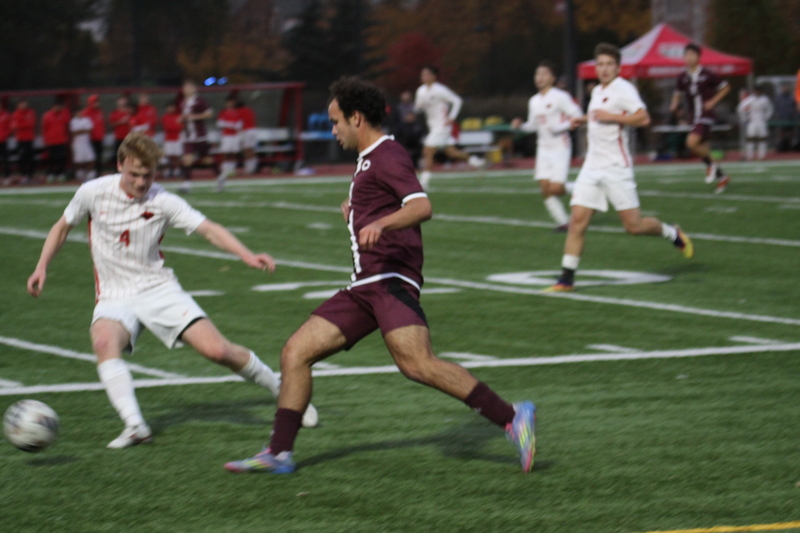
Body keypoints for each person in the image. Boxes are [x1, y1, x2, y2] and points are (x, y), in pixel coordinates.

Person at [224, 77, 535, 475]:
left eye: (336, 121)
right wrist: (354, 213)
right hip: (363, 287)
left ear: (356, 118)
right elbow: (379, 203)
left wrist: (381, 224)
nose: (332, 130)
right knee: (295, 353)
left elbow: (422, 206)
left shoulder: (387, 153)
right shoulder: (368, 160)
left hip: (389, 282)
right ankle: (279, 452)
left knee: (418, 364)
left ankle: (513, 416)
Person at [26, 132, 317, 449]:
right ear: (120, 165)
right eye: (134, 174)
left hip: (158, 289)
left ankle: (284, 392)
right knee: (103, 341)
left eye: (147, 175)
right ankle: (136, 425)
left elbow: (208, 229)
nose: (140, 182)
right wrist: (42, 266)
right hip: (113, 296)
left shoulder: (163, 201)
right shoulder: (92, 192)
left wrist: (245, 254)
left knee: (218, 351)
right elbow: (62, 226)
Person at [546, 44, 694, 293]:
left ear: (618, 67)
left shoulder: (624, 89)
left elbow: (643, 117)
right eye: (600, 64)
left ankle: (672, 232)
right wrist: (582, 119)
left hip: (616, 167)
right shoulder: (597, 91)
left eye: (608, 64)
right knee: (577, 222)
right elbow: (599, 115)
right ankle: (566, 279)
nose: (604, 69)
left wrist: (613, 117)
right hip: (592, 167)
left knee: (633, 227)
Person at [511, 61, 583, 231]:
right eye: (537, 74)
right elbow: (534, 125)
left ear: (552, 77)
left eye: (544, 73)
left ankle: (587, 189)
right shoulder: (534, 101)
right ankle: (563, 222)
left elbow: (577, 115)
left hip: (560, 146)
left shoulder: (560, 96)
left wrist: (560, 127)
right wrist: (520, 125)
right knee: (545, 188)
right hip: (543, 148)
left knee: (556, 188)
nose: (540, 77)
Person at [670, 43, 731, 193]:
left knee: (691, 143)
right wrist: (674, 104)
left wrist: (713, 102)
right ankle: (722, 177)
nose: (689, 58)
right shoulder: (682, 77)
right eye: (686, 55)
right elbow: (677, 93)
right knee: (702, 149)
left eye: (692, 54)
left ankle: (711, 166)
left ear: (698, 57)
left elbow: (726, 87)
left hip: (706, 115)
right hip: (693, 117)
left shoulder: (707, 74)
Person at [414, 65, 485, 189]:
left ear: (433, 76)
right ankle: (477, 162)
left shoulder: (440, 89)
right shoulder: (420, 91)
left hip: (442, 125)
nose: (424, 77)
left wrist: (452, 117)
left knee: (427, 151)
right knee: (451, 152)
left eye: (426, 74)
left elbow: (457, 100)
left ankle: (423, 182)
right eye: (422, 74)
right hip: (432, 126)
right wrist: (418, 107)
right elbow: (417, 108)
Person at [178, 80, 213, 193]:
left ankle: (220, 176)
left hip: (200, 135)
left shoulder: (199, 101)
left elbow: (209, 113)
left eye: (188, 87)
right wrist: (181, 119)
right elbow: (185, 117)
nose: (186, 89)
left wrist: (193, 117)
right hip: (188, 136)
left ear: (194, 89)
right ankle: (186, 185)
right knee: (187, 159)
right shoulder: (183, 102)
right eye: (184, 87)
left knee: (207, 160)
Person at [737, 85, 773, 161]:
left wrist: (766, 117)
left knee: (762, 138)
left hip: (761, 121)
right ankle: (750, 155)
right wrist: (745, 118)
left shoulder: (765, 100)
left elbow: (770, 109)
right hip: (752, 121)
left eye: (759, 91)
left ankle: (762, 155)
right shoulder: (750, 99)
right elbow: (741, 108)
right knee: (750, 138)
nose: (757, 92)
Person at [215, 96, 242, 192]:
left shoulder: (237, 112)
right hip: (226, 136)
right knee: (225, 153)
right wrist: (230, 125)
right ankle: (225, 170)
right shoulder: (223, 113)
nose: (230, 104)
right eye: (228, 103)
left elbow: (239, 124)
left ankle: (232, 169)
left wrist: (230, 124)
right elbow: (220, 123)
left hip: (234, 136)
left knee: (233, 153)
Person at [41, 96, 71, 183]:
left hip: (62, 140)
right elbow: (44, 129)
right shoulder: (47, 115)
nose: (58, 108)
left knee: (61, 158)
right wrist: (45, 140)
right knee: (51, 159)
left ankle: (61, 173)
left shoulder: (64, 114)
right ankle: (51, 174)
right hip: (51, 141)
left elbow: (67, 125)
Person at [11, 99, 36, 183]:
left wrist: (23, 123)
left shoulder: (30, 112)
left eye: (24, 103)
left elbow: (32, 123)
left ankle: (30, 175)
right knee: (22, 157)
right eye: (21, 104)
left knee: (30, 157)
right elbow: (17, 125)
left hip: (29, 138)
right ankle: (23, 175)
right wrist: (25, 123)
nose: (23, 105)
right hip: (20, 139)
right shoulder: (16, 114)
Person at [69, 107, 96, 182]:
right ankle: (80, 175)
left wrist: (80, 130)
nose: (80, 113)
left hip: (86, 143)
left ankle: (91, 175)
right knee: (79, 160)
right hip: (77, 144)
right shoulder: (73, 121)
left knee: (91, 158)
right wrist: (83, 130)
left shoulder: (86, 120)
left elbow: (89, 130)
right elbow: (74, 132)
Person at [82, 95, 106, 177]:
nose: (97, 104)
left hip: (99, 138)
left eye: (97, 102)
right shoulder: (85, 113)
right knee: (90, 157)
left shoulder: (100, 111)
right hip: (90, 139)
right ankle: (88, 172)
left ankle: (98, 172)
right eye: (95, 102)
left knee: (99, 156)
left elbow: (102, 124)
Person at [161, 102, 184, 177]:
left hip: (177, 138)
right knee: (167, 155)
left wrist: (175, 126)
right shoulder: (165, 117)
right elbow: (167, 127)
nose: (171, 109)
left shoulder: (178, 116)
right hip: (168, 139)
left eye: (172, 107)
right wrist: (175, 125)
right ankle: (167, 170)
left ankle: (176, 170)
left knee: (176, 155)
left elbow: (180, 127)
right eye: (169, 107)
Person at [109, 96, 133, 164]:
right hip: (118, 137)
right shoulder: (115, 113)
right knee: (119, 154)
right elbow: (111, 124)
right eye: (120, 101)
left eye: (123, 101)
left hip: (128, 137)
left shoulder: (130, 112)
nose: (122, 103)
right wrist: (121, 122)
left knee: (129, 154)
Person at [772, 82, 795, 152]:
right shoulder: (778, 98)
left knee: (789, 135)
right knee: (781, 134)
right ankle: (781, 147)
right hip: (781, 119)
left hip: (790, 119)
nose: (785, 89)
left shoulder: (792, 97)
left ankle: (789, 147)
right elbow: (776, 108)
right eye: (784, 87)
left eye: (787, 87)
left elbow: (794, 108)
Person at [237, 101, 258, 174]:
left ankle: (249, 169)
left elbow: (239, 123)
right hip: (253, 130)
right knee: (251, 149)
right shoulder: (250, 110)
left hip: (246, 131)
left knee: (246, 149)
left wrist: (239, 133)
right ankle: (253, 167)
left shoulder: (240, 111)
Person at [0, 102, 10, 183]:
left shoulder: (5, 115)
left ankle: (7, 177)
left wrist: (5, 136)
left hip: (3, 141)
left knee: (5, 159)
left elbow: (9, 127)